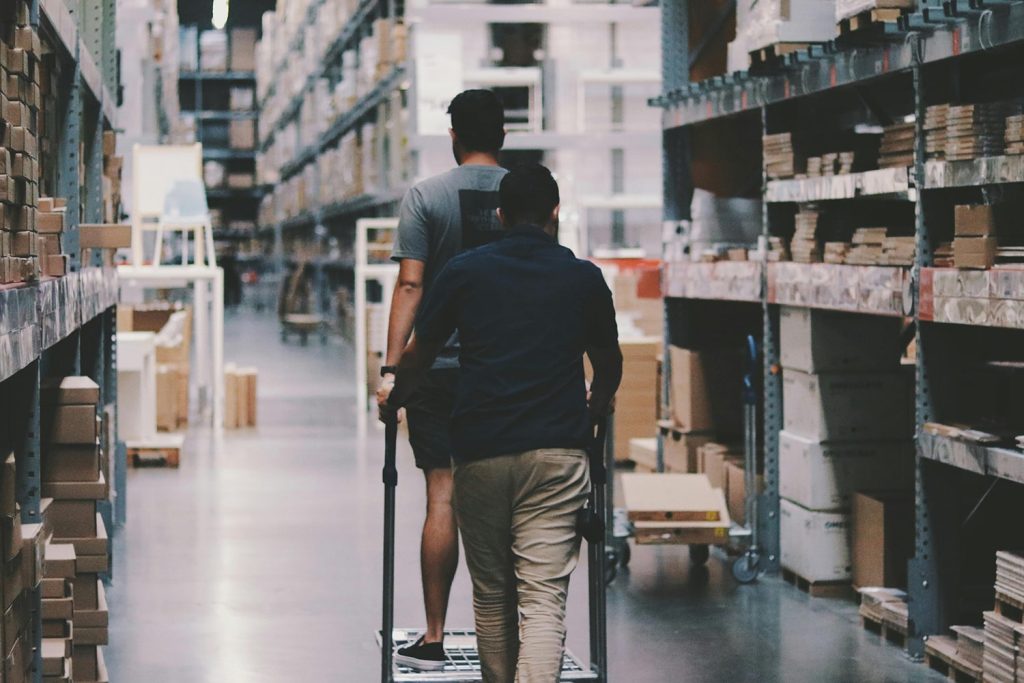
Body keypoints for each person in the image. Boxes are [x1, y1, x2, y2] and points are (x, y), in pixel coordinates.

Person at [384, 164, 623, 682]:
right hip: (558, 453)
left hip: (480, 450)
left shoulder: (465, 272)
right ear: (555, 213)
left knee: (493, 597)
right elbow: (609, 365)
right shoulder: (584, 278)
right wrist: (594, 406)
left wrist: (393, 395)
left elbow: (420, 355)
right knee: (542, 599)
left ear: (500, 215)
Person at [376, 89, 509, 671]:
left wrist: (390, 370)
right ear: (502, 136)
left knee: (442, 495)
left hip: (437, 370)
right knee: (505, 500)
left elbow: (411, 285)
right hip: (505, 370)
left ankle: (433, 638)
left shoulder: (427, 196)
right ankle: (502, 635)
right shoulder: (526, 194)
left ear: (453, 135)